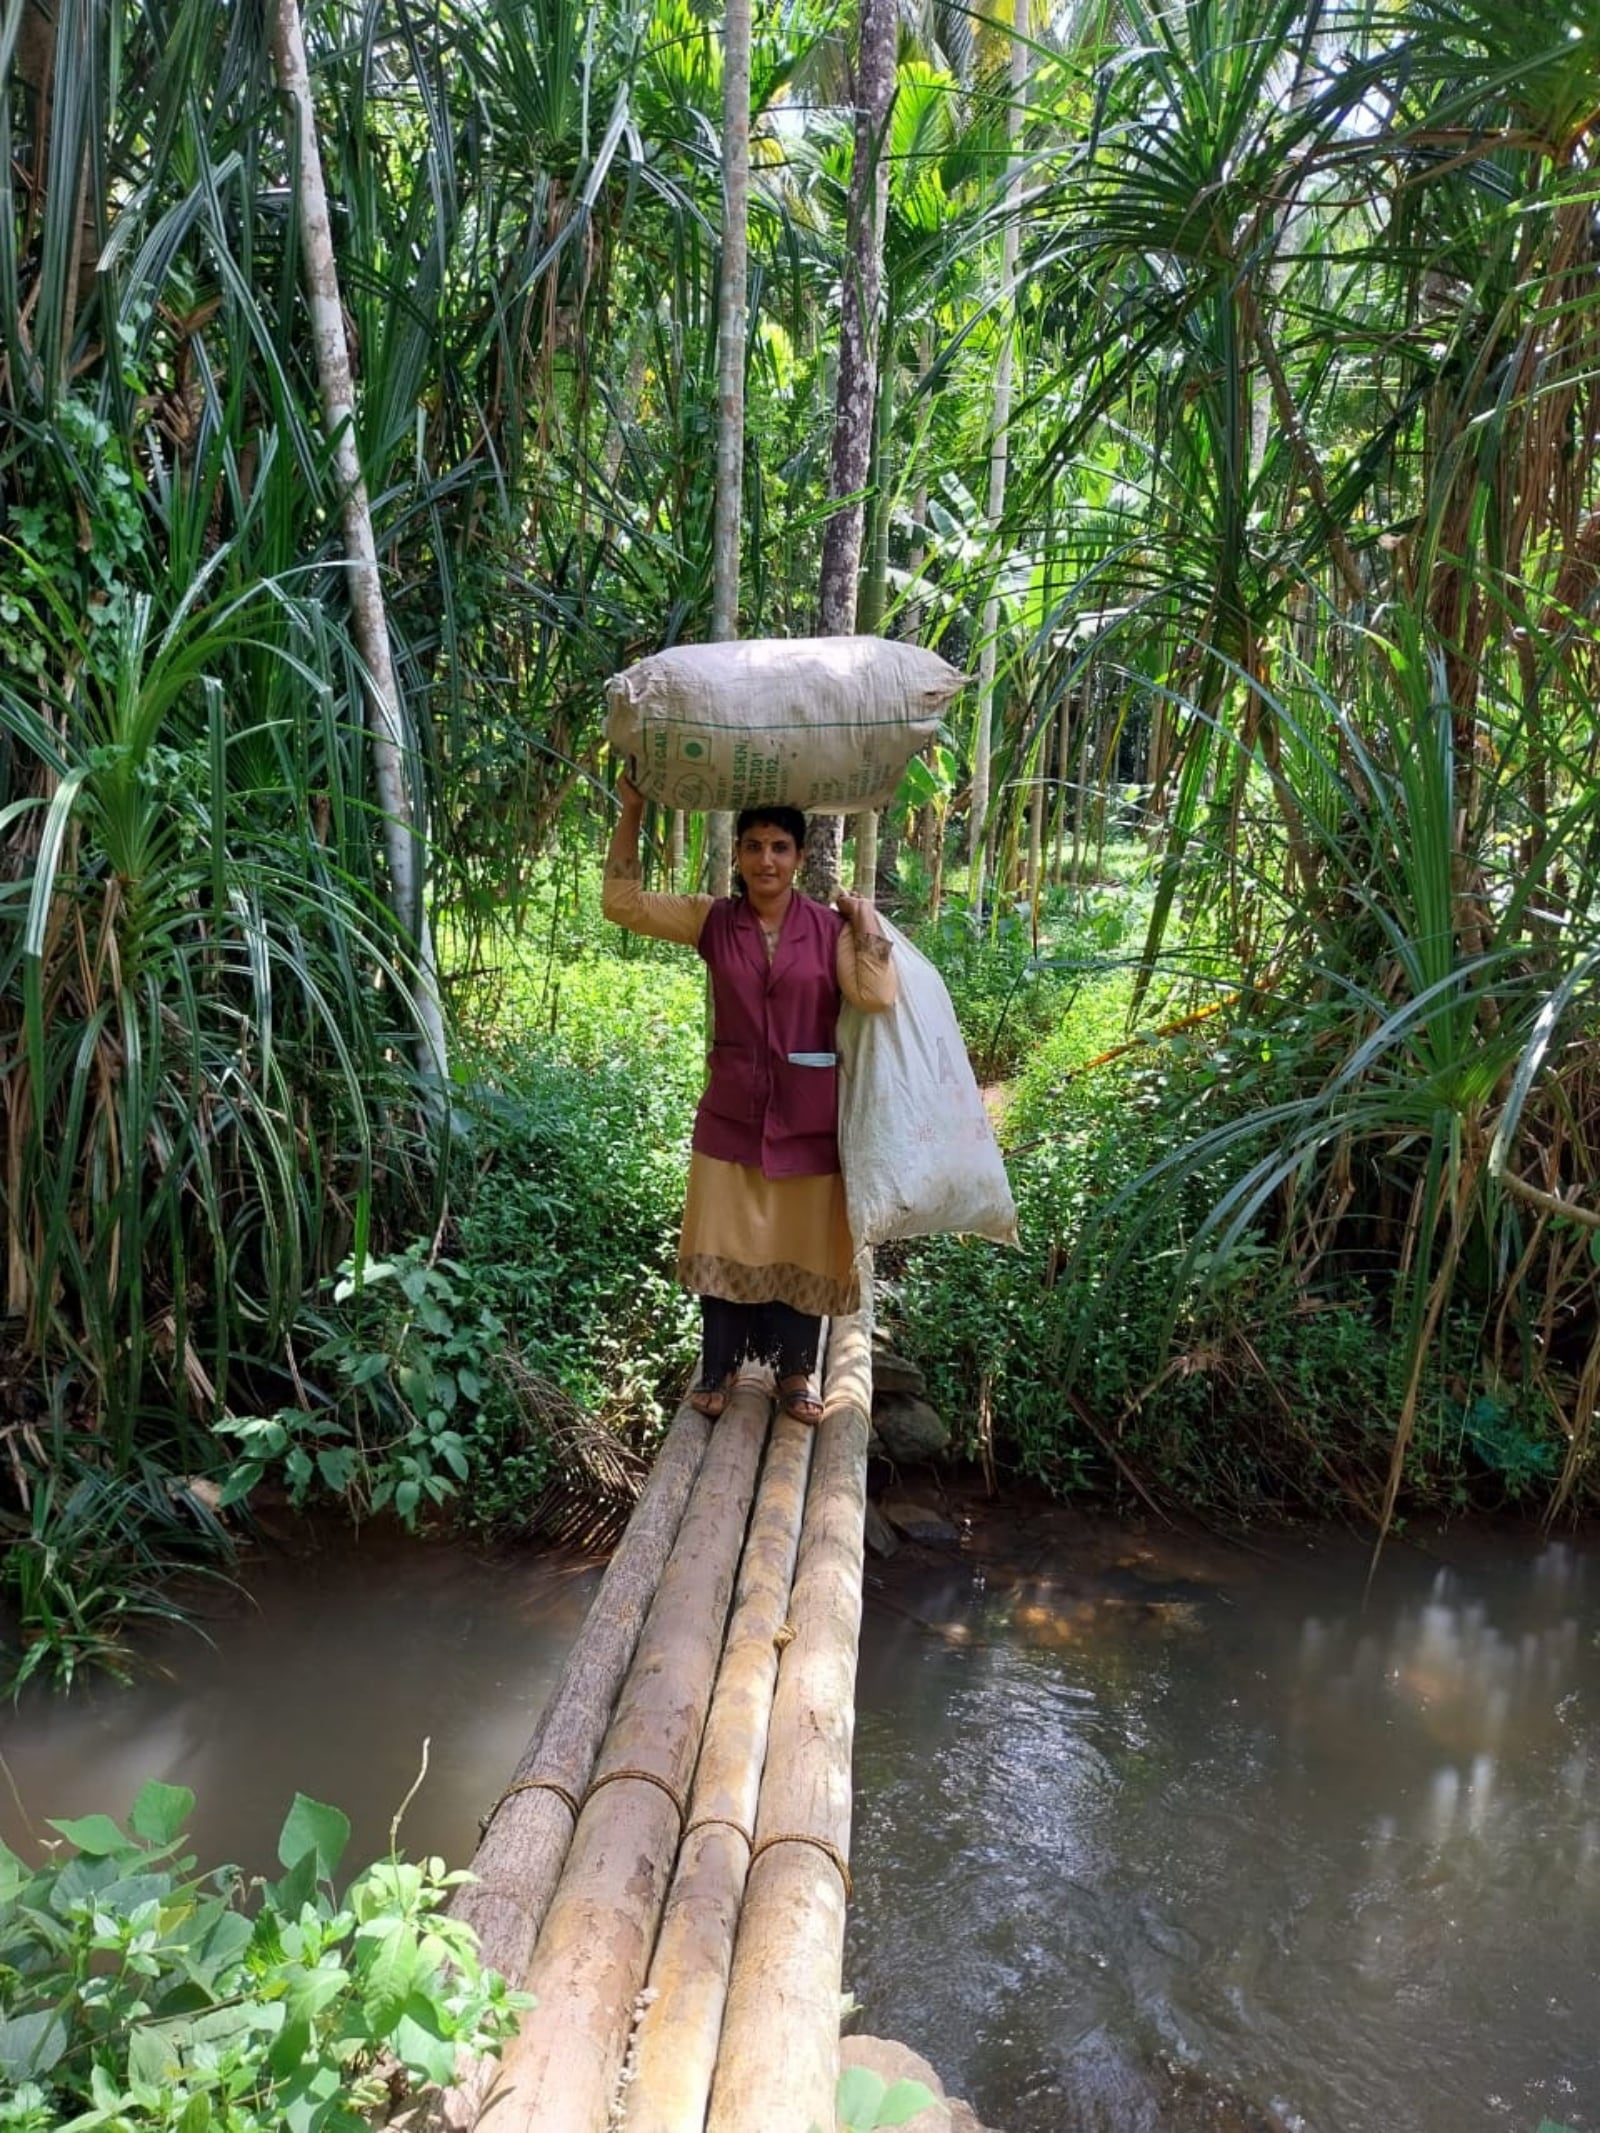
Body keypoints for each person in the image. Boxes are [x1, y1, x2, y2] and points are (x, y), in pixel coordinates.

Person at [602, 773, 898, 1423]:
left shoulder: (829, 928)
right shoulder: (713, 920)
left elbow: (876, 994)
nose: (767, 859)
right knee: (722, 1241)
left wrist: (864, 914)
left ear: (799, 857)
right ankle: (720, 1367)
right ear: (737, 854)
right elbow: (621, 903)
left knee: (801, 1244)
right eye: (755, 845)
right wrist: (630, 811)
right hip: (731, 1111)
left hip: (808, 1115)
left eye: (780, 847)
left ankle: (795, 1373)